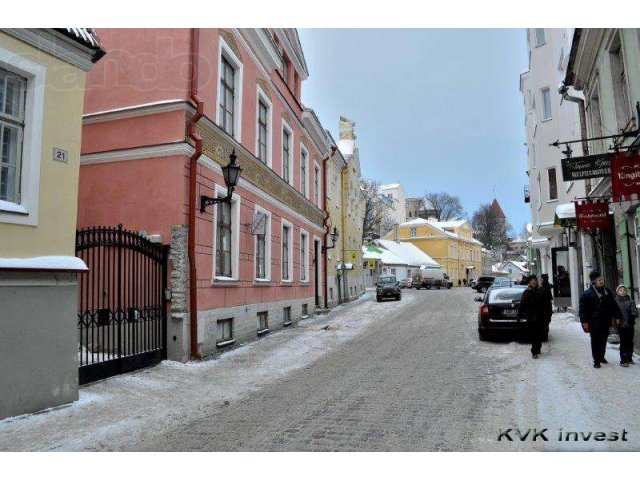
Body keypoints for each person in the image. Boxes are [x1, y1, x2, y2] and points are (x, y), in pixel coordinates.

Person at [579, 271, 620, 368]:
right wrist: (584, 322)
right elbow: (582, 310)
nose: (602, 281)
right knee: (596, 340)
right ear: (594, 282)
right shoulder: (586, 294)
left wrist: (618, 316)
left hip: (606, 321)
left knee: (603, 340)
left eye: (602, 279)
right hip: (594, 322)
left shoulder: (607, 291)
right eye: (599, 280)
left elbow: (613, 305)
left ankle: (601, 356)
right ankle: (596, 360)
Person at [517, 274, 546, 359]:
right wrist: (519, 315)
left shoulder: (541, 291)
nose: (533, 282)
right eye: (531, 280)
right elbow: (522, 304)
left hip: (540, 316)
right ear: (529, 282)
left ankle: (538, 347)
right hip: (530, 317)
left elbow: (546, 305)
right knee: (533, 334)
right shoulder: (526, 292)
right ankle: (534, 352)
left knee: (539, 334)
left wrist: (547, 315)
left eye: (535, 280)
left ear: (537, 282)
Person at [614, 285, 637, 367]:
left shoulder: (631, 301)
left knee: (630, 341)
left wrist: (632, 316)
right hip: (621, 325)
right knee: (623, 342)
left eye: (624, 290)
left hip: (630, 325)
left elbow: (635, 311)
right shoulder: (615, 301)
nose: (622, 292)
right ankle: (623, 359)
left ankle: (629, 357)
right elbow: (613, 312)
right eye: (620, 290)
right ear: (617, 292)